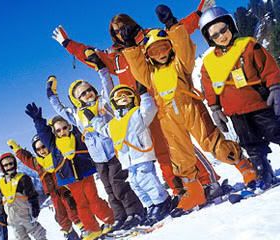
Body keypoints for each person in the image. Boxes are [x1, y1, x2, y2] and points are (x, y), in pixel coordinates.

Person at [51, 0, 220, 203]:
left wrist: (200, 13)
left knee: (179, 145)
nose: (121, 32)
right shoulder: (116, 57)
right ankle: (180, 190)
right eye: (116, 31)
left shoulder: (151, 38)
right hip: (140, 111)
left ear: (132, 24)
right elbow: (90, 54)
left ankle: (207, 181)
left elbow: (179, 30)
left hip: (164, 101)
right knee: (161, 152)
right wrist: (68, 43)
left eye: (123, 27)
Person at [121, 11, 258, 215]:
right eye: (154, 52)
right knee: (180, 156)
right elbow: (137, 68)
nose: (160, 54)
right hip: (167, 116)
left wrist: (173, 26)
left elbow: (184, 50)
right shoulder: (149, 74)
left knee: (212, 142)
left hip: (190, 108)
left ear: (170, 48)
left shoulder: (179, 65)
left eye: (164, 48)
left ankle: (245, 167)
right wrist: (131, 46)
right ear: (148, 56)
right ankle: (194, 192)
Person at [198, 7, 280, 188]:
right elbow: (209, 88)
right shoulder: (208, 64)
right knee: (251, 144)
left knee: (279, 132)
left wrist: (276, 88)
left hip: (258, 105)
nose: (221, 36)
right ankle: (264, 172)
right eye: (215, 35)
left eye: (223, 30)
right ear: (210, 39)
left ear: (231, 26)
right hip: (235, 114)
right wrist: (215, 109)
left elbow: (268, 68)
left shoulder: (248, 47)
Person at [46, 50, 145, 232]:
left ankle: (135, 212)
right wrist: (51, 95)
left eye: (88, 90)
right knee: (109, 189)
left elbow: (107, 85)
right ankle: (120, 217)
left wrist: (100, 67)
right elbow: (61, 110)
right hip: (98, 158)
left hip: (114, 151)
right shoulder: (77, 115)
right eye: (82, 94)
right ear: (76, 100)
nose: (87, 95)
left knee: (118, 185)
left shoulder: (104, 103)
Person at [24, 103, 114, 240]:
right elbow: (43, 133)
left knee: (94, 200)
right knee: (81, 205)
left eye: (64, 128)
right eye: (58, 130)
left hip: (85, 174)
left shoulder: (76, 136)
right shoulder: (53, 145)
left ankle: (109, 219)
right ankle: (92, 229)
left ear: (69, 127)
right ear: (54, 133)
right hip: (70, 180)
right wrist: (38, 120)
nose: (62, 132)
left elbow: (74, 119)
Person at [91, 82, 172, 225]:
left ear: (132, 99)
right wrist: (93, 119)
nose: (123, 97)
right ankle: (150, 205)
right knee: (135, 184)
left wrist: (144, 94)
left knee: (146, 180)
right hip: (127, 161)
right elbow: (103, 129)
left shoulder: (137, 114)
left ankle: (162, 202)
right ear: (114, 103)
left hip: (141, 155)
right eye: (118, 96)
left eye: (127, 95)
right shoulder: (114, 124)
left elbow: (149, 110)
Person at [7, 137, 82, 240]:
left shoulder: (57, 156)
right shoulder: (38, 163)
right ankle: (71, 235)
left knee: (72, 210)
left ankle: (85, 229)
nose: (42, 150)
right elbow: (27, 159)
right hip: (53, 193)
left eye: (44, 147)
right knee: (60, 216)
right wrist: (17, 149)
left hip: (65, 189)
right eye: (38, 149)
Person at [0, 152, 47, 240]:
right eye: (5, 165)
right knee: (20, 238)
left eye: (10, 163)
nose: (9, 167)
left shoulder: (23, 178)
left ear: (14, 164)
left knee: (38, 234)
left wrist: (35, 209)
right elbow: (0, 202)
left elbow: (32, 196)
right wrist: (2, 217)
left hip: (26, 215)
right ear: (2, 167)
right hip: (12, 219)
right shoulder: (1, 183)